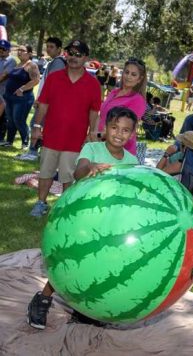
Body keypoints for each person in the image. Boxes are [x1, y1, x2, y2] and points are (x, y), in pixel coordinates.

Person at [26, 106, 139, 330]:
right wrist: (90, 168)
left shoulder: (132, 160)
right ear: (104, 127)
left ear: (133, 133)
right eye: (114, 127)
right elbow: (77, 172)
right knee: (69, 259)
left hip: (111, 222)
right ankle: (43, 299)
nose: (119, 133)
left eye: (126, 130)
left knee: (99, 262)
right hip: (82, 217)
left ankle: (84, 308)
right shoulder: (92, 148)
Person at [29, 40, 101, 217]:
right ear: (66, 54)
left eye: (78, 54)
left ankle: (65, 207)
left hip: (75, 141)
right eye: (71, 53)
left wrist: (92, 133)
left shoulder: (93, 84)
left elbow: (94, 112)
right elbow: (43, 105)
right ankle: (41, 203)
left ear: (85, 58)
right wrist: (37, 127)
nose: (74, 57)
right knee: (45, 172)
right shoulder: (54, 78)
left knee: (68, 176)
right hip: (51, 136)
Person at [17, 37, 66, 161]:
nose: (48, 49)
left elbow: (53, 84)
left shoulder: (58, 62)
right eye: (47, 46)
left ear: (59, 49)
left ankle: (33, 153)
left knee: (35, 124)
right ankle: (36, 152)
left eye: (52, 47)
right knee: (39, 126)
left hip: (48, 102)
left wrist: (42, 100)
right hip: (47, 100)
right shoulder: (53, 61)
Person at [97, 58, 147, 156]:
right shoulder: (114, 92)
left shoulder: (138, 100)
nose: (128, 76)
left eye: (133, 74)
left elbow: (125, 130)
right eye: (126, 72)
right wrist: (93, 135)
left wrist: (97, 135)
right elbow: (101, 117)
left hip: (119, 153)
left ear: (139, 79)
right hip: (101, 147)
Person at [2, 45, 40, 148]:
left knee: (18, 119)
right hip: (9, 97)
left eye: (22, 50)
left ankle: (25, 142)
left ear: (29, 53)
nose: (19, 52)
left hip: (23, 98)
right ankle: (9, 141)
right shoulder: (18, 64)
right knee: (11, 119)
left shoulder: (31, 65)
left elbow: (36, 80)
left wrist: (22, 89)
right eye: (18, 50)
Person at [0, 40, 17, 144]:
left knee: (3, 117)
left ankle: (1, 138)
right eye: (0, 48)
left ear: (8, 50)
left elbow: (4, 75)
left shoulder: (11, 60)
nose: (1, 51)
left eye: (3, 49)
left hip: (4, 92)